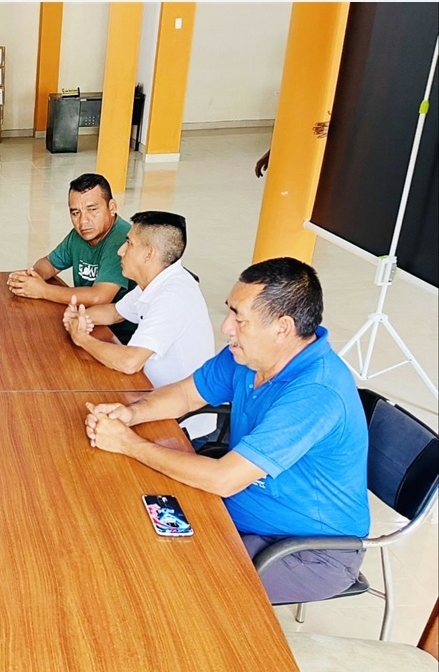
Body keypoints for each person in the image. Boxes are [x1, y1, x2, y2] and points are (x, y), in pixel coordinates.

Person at [83, 257, 369, 603]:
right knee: (124, 528)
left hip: (308, 551)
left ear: (282, 328)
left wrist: (129, 444)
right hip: (241, 509)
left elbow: (224, 479)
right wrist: (131, 414)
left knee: (172, 587)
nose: (227, 327)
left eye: (239, 319)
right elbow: (187, 394)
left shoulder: (315, 392)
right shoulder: (250, 356)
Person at [62, 210, 215, 438]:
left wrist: (82, 338)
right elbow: (115, 312)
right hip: (150, 397)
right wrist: (80, 317)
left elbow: (130, 362)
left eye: (129, 243)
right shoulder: (156, 282)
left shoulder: (173, 296)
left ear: (148, 253)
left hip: (181, 424)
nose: (121, 250)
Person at [8, 173, 135, 342]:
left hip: (120, 336)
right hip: (84, 320)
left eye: (93, 210)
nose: (83, 221)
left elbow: (100, 297)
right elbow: (49, 263)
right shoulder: (79, 235)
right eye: (76, 213)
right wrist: (33, 276)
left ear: (112, 207)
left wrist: (43, 290)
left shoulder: (122, 240)